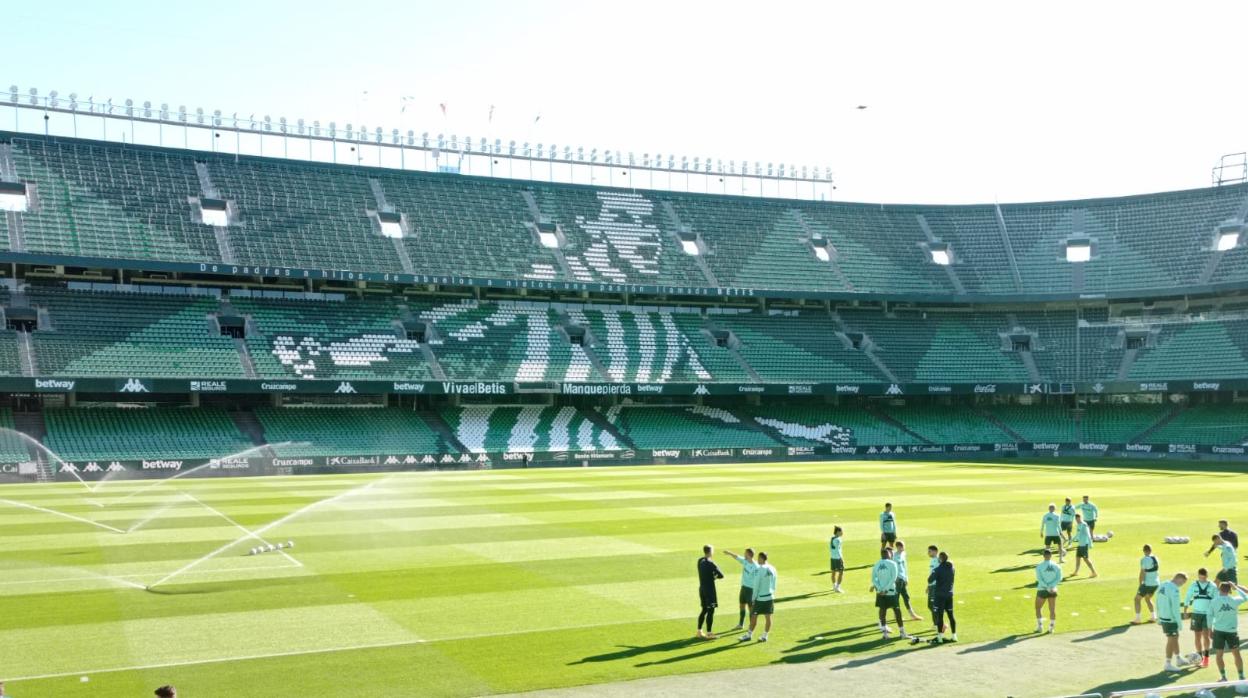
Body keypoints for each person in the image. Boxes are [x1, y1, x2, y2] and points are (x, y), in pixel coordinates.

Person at [1207, 581, 1248, 683]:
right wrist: (1236, 587)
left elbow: (1209, 616)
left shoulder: (1213, 601)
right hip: (1232, 632)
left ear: (1219, 589)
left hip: (1218, 631)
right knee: (1236, 654)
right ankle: (1241, 676)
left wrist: (1209, 629)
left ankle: (1223, 677)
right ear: (1230, 590)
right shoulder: (1234, 600)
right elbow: (1246, 597)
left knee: (1219, 655)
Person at [915, 550, 956, 644]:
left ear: (940, 559)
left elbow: (929, 580)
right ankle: (954, 636)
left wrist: (935, 573)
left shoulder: (938, 569)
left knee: (940, 616)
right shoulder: (952, 568)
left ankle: (940, 637)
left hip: (940, 595)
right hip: (949, 594)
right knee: (951, 615)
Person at [871, 547, 911, 640]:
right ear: (888, 555)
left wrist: (880, 589)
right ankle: (902, 633)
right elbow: (894, 578)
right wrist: (886, 589)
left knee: (882, 611)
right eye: (890, 553)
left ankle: (885, 634)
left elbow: (874, 579)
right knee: (897, 611)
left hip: (880, 593)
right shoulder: (893, 563)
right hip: (891, 592)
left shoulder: (876, 564)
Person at [740, 551, 776, 642]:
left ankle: (749, 635)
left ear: (761, 558)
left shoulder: (760, 569)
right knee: (768, 617)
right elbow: (775, 582)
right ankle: (765, 635)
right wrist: (772, 592)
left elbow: (756, 585)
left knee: (754, 616)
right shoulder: (773, 568)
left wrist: (753, 598)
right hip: (770, 597)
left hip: (760, 598)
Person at [1156, 571, 1188, 672]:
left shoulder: (1163, 584)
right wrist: (1179, 623)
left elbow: (1157, 601)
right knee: (1171, 639)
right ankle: (1168, 663)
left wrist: (1159, 617)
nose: (1181, 585)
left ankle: (1178, 658)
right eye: (1182, 583)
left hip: (1164, 617)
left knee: (1175, 637)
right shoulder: (1174, 589)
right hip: (1170, 619)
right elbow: (1175, 608)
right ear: (1179, 579)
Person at [1184, 568, 1217, 668]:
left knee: (1205, 636)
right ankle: (1199, 657)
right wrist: (1185, 611)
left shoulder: (1212, 586)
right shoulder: (1193, 585)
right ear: (1198, 576)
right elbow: (1188, 597)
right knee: (1197, 636)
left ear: (1207, 576)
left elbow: (1216, 601)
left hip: (1207, 614)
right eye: (1200, 577)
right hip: (1196, 614)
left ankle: (1206, 659)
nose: (1202, 579)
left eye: (1203, 577)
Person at [724, 547, 758, 631]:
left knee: (750, 608)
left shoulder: (756, 566)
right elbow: (737, 557)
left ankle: (751, 625)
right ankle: (741, 624)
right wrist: (729, 553)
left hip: (751, 590)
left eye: (745, 553)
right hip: (743, 588)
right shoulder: (745, 561)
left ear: (749, 555)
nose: (744, 554)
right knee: (742, 605)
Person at [696, 545, 724, 639]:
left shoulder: (700, 560)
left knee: (704, 610)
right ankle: (709, 633)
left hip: (702, 589)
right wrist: (713, 577)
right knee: (711, 611)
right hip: (710, 591)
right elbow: (721, 575)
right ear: (711, 551)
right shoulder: (711, 563)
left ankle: (699, 631)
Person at [894, 540, 923, 621]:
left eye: (904, 546)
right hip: (897, 580)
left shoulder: (903, 554)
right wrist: (894, 578)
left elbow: (905, 566)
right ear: (898, 547)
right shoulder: (894, 556)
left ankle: (912, 614)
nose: (904, 548)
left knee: (906, 597)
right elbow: (893, 568)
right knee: (896, 598)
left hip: (902, 579)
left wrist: (906, 578)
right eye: (902, 546)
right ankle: (897, 615)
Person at [1035, 548, 1062, 633]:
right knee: (1052, 610)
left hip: (1042, 590)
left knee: (1038, 608)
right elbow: (1059, 578)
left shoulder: (1039, 566)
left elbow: (1039, 579)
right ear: (1051, 555)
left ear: (1043, 556)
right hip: (1053, 590)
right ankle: (1051, 628)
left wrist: (1046, 587)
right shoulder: (1057, 566)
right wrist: (1051, 586)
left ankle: (1040, 627)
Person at [1133, 544, 1160, 624]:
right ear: (1151, 550)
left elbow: (1142, 573)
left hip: (1147, 583)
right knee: (1148, 599)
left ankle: (1138, 619)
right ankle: (1153, 616)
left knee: (1137, 599)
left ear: (1144, 551)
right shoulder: (1156, 558)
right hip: (1156, 583)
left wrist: (1140, 584)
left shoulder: (1144, 560)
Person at [1072, 513, 1097, 578]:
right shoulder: (1078, 525)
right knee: (1077, 558)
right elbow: (1077, 534)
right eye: (1076, 519)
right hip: (1080, 545)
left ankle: (1094, 572)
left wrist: (1090, 543)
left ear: (1081, 518)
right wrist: (1072, 539)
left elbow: (1088, 534)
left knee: (1086, 559)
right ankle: (1076, 572)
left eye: (1078, 518)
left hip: (1084, 545)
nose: (1077, 520)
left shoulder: (1084, 525)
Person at [926, 544, 940, 619]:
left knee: (933, 605)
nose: (928, 553)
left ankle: (937, 624)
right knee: (930, 605)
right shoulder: (932, 560)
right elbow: (931, 574)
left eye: (930, 551)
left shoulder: (939, 560)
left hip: (936, 586)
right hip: (931, 585)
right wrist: (928, 586)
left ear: (935, 551)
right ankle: (939, 623)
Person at [829, 527, 845, 593]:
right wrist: (841, 558)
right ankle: (837, 587)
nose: (842, 533)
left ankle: (834, 586)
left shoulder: (832, 538)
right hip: (838, 558)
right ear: (838, 532)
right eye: (841, 531)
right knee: (841, 572)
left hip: (832, 557)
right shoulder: (838, 539)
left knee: (833, 572)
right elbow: (838, 550)